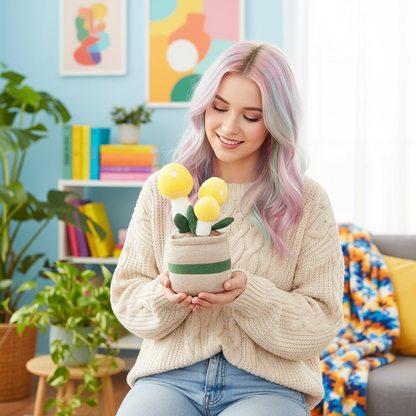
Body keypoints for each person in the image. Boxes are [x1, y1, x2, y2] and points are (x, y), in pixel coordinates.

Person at [111, 41, 344, 416]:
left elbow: (322, 321)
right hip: (171, 375)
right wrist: (164, 293)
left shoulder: (308, 201)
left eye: (251, 116)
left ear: (275, 123)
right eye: (219, 108)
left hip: (268, 385)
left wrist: (248, 295)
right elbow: (126, 297)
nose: (229, 127)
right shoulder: (163, 189)